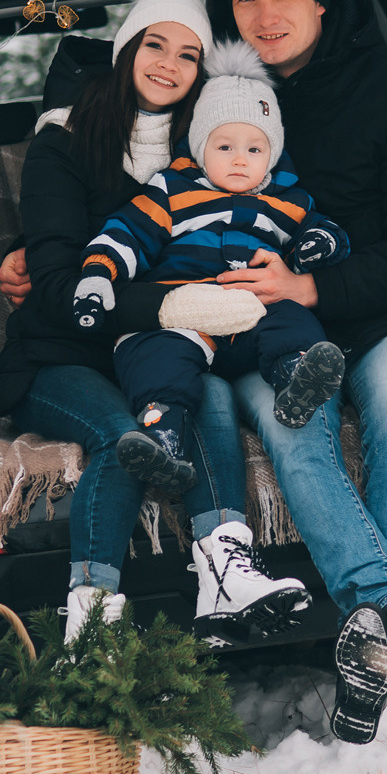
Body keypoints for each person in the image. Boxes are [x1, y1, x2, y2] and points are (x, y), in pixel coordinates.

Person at [203, 0, 387, 744]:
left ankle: (371, 639)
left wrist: (314, 281)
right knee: (295, 430)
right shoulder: (217, 97)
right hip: (266, 327)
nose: (265, 14)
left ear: (321, 0)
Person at [0, 0, 309, 645]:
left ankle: (224, 571)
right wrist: (172, 303)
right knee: (119, 434)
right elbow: (53, 284)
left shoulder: (208, 154)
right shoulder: (66, 140)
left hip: (158, 347)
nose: (168, 63)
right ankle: (93, 621)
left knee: (210, 395)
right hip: (63, 352)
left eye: (188, 53)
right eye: (155, 44)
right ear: (127, 46)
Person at [71, 41, 353, 489]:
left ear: (273, 153)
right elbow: (128, 231)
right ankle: (163, 436)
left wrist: (317, 246)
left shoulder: (286, 200)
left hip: (251, 315)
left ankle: (295, 378)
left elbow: (325, 231)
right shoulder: (172, 190)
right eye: (224, 146)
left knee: (290, 316)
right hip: (184, 316)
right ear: (201, 148)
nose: (240, 158)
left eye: (255, 149)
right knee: (155, 355)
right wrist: (99, 272)